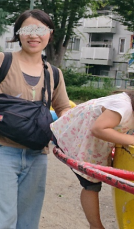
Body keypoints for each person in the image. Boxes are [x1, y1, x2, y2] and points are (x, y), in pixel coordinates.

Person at [0, 9, 71, 229]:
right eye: (27, 29)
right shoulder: (2, 60)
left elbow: (64, 107)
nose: (34, 35)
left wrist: (68, 127)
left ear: (50, 34)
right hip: (0, 150)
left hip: (37, 154)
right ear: (18, 33)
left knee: (28, 221)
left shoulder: (54, 73)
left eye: (40, 30)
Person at [51, 91, 134, 229]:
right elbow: (98, 129)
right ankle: (95, 226)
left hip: (93, 140)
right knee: (91, 183)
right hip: (78, 136)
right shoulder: (122, 107)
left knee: (94, 180)